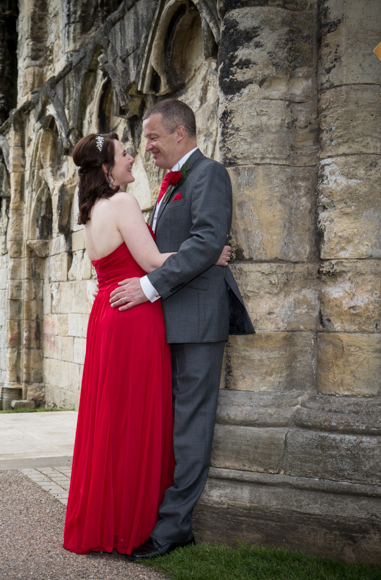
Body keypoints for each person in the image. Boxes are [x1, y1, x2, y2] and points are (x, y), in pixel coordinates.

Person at [63, 132, 231, 556]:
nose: (132, 156)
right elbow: (154, 262)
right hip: (134, 317)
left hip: (108, 313)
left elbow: (113, 266)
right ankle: (130, 522)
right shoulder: (121, 202)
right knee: (135, 419)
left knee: (110, 420)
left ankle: (106, 518)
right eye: (124, 153)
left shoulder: (91, 210)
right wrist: (210, 254)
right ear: (106, 168)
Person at [109, 99, 255, 560]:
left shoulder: (209, 174)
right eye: (145, 139)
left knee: (191, 426)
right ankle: (154, 515)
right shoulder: (170, 183)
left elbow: (208, 240)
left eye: (153, 137)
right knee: (167, 424)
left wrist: (148, 287)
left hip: (196, 322)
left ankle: (173, 530)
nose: (146, 147)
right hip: (165, 322)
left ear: (180, 133)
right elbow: (181, 249)